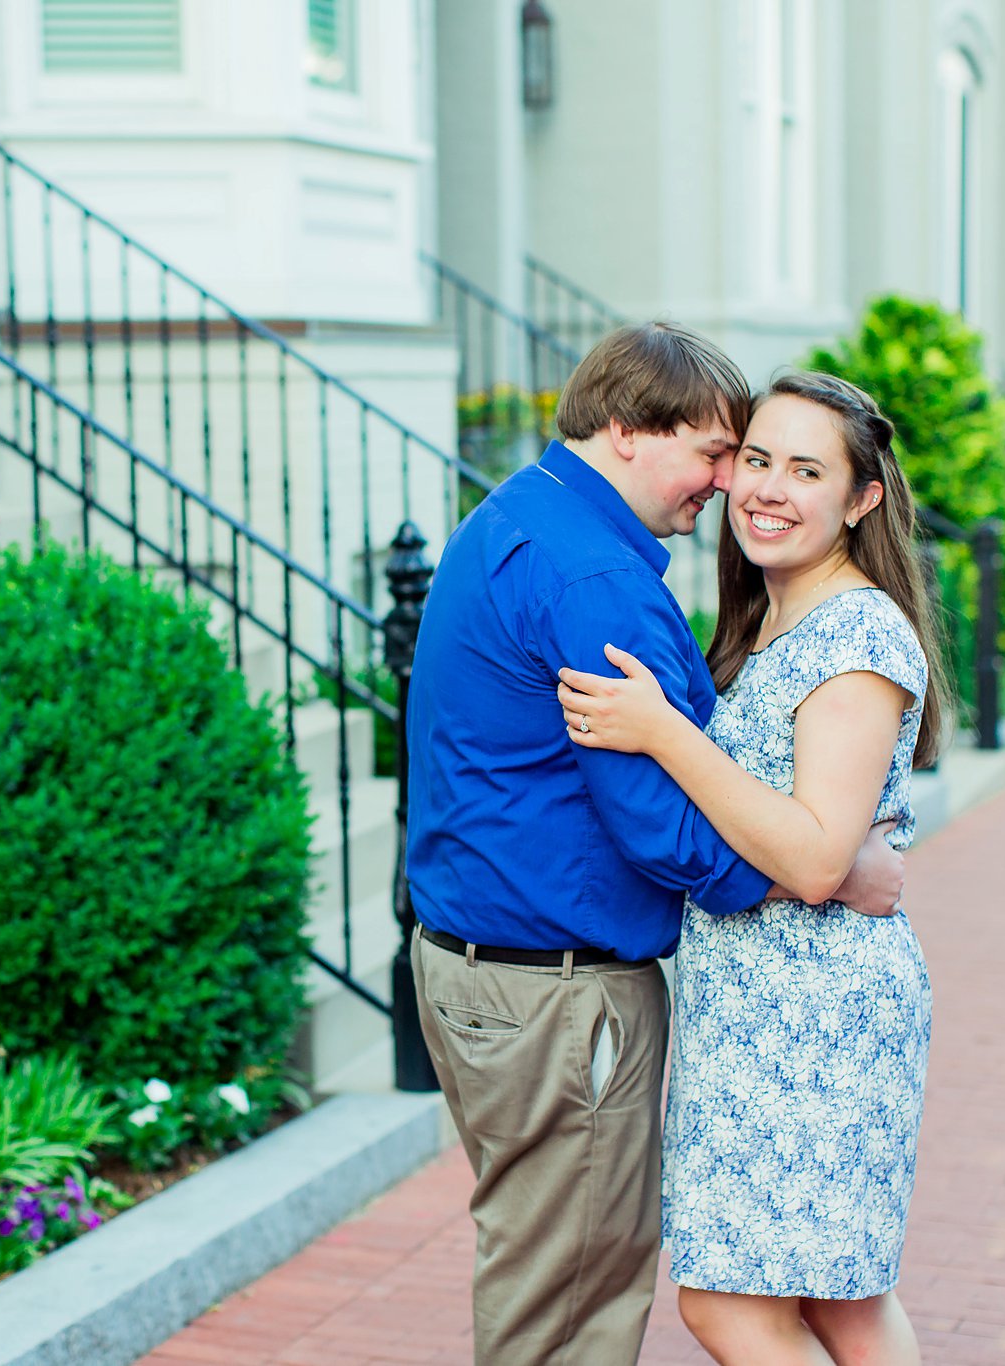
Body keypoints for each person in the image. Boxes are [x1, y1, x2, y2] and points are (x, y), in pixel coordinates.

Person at [405, 326, 905, 1366]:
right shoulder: (591, 576)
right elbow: (654, 819)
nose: (727, 486)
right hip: (554, 988)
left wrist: (809, 849)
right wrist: (821, 868)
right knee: (571, 1298)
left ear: (859, 497)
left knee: (606, 1273)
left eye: (772, 463)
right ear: (628, 430)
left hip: (508, 972)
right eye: (722, 453)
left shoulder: (524, 518)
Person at [557, 371, 946, 1366]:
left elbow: (816, 858)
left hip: (815, 1010)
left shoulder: (854, 633)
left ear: (859, 499)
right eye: (755, 460)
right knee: (843, 1307)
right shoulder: (773, 616)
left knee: (732, 1306)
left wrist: (660, 735)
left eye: (805, 470)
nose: (766, 489)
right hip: (761, 1004)